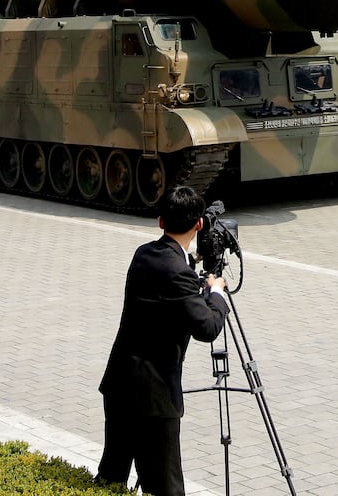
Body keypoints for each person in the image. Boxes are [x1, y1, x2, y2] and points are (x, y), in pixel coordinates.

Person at [97, 186, 229, 496]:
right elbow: (207, 328)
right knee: (166, 488)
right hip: (153, 399)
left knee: (112, 473)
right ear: (198, 225)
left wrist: (195, 262)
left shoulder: (144, 253)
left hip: (120, 384)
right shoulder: (178, 273)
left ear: (159, 222)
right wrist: (217, 292)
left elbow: (172, 279)